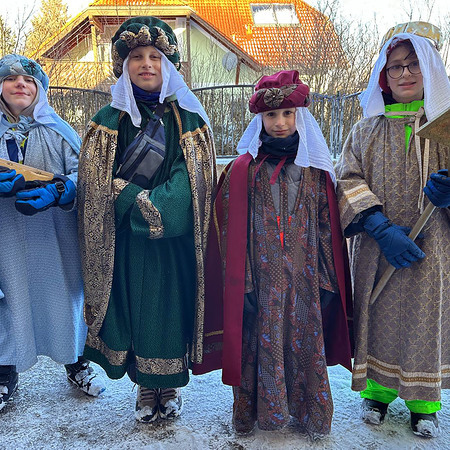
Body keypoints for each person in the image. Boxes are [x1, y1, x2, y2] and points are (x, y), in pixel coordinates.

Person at [193, 70, 353, 438]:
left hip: (305, 282)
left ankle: (309, 415)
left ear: (300, 116)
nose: (279, 122)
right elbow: (228, 230)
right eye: (270, 115)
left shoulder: (315, 170)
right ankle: (260, 415)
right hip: (260, 283)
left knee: (305, 344)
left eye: (287, 114)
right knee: (258, 345)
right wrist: (242, 284)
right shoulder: (243, 171)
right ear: (259, 119)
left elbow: (327, 227)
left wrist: (328, 280)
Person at [77, 17, 216, 423]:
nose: (146, 64)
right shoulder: (107, 121)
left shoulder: (189, 119)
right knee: (134, 309)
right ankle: (144, 385)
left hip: (174, 244)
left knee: (168, 310)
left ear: (168, 64)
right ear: (123, 65)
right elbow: (94, 186)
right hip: (125, 243)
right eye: (137, 56)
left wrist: (128, 195)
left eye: (155, 56)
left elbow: (189, 186)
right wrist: (117, 195)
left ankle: (167, 384)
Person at [335, 21, 450, 438]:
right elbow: (346, 178)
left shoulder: (447, 130)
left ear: (430, 68)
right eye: (395, 66)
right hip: (376, 248)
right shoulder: (365, 130)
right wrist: (379, 226)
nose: (404, 73)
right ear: (384, 76)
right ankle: (378, 393)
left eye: (413, 64)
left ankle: (424, 403)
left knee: (425, 318)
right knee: (377, 313)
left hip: (433, 249)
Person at [0, 54, 105, 413]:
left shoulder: (60, 131)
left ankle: (77, 362)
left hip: (54, 236)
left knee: (65, 297)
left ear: (41, 90)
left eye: (29, 80)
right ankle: (5, 370)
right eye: (10, 78)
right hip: (6, 237)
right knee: (9, 299)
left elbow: (85, 174)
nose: (20, 84)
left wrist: (61, 190)